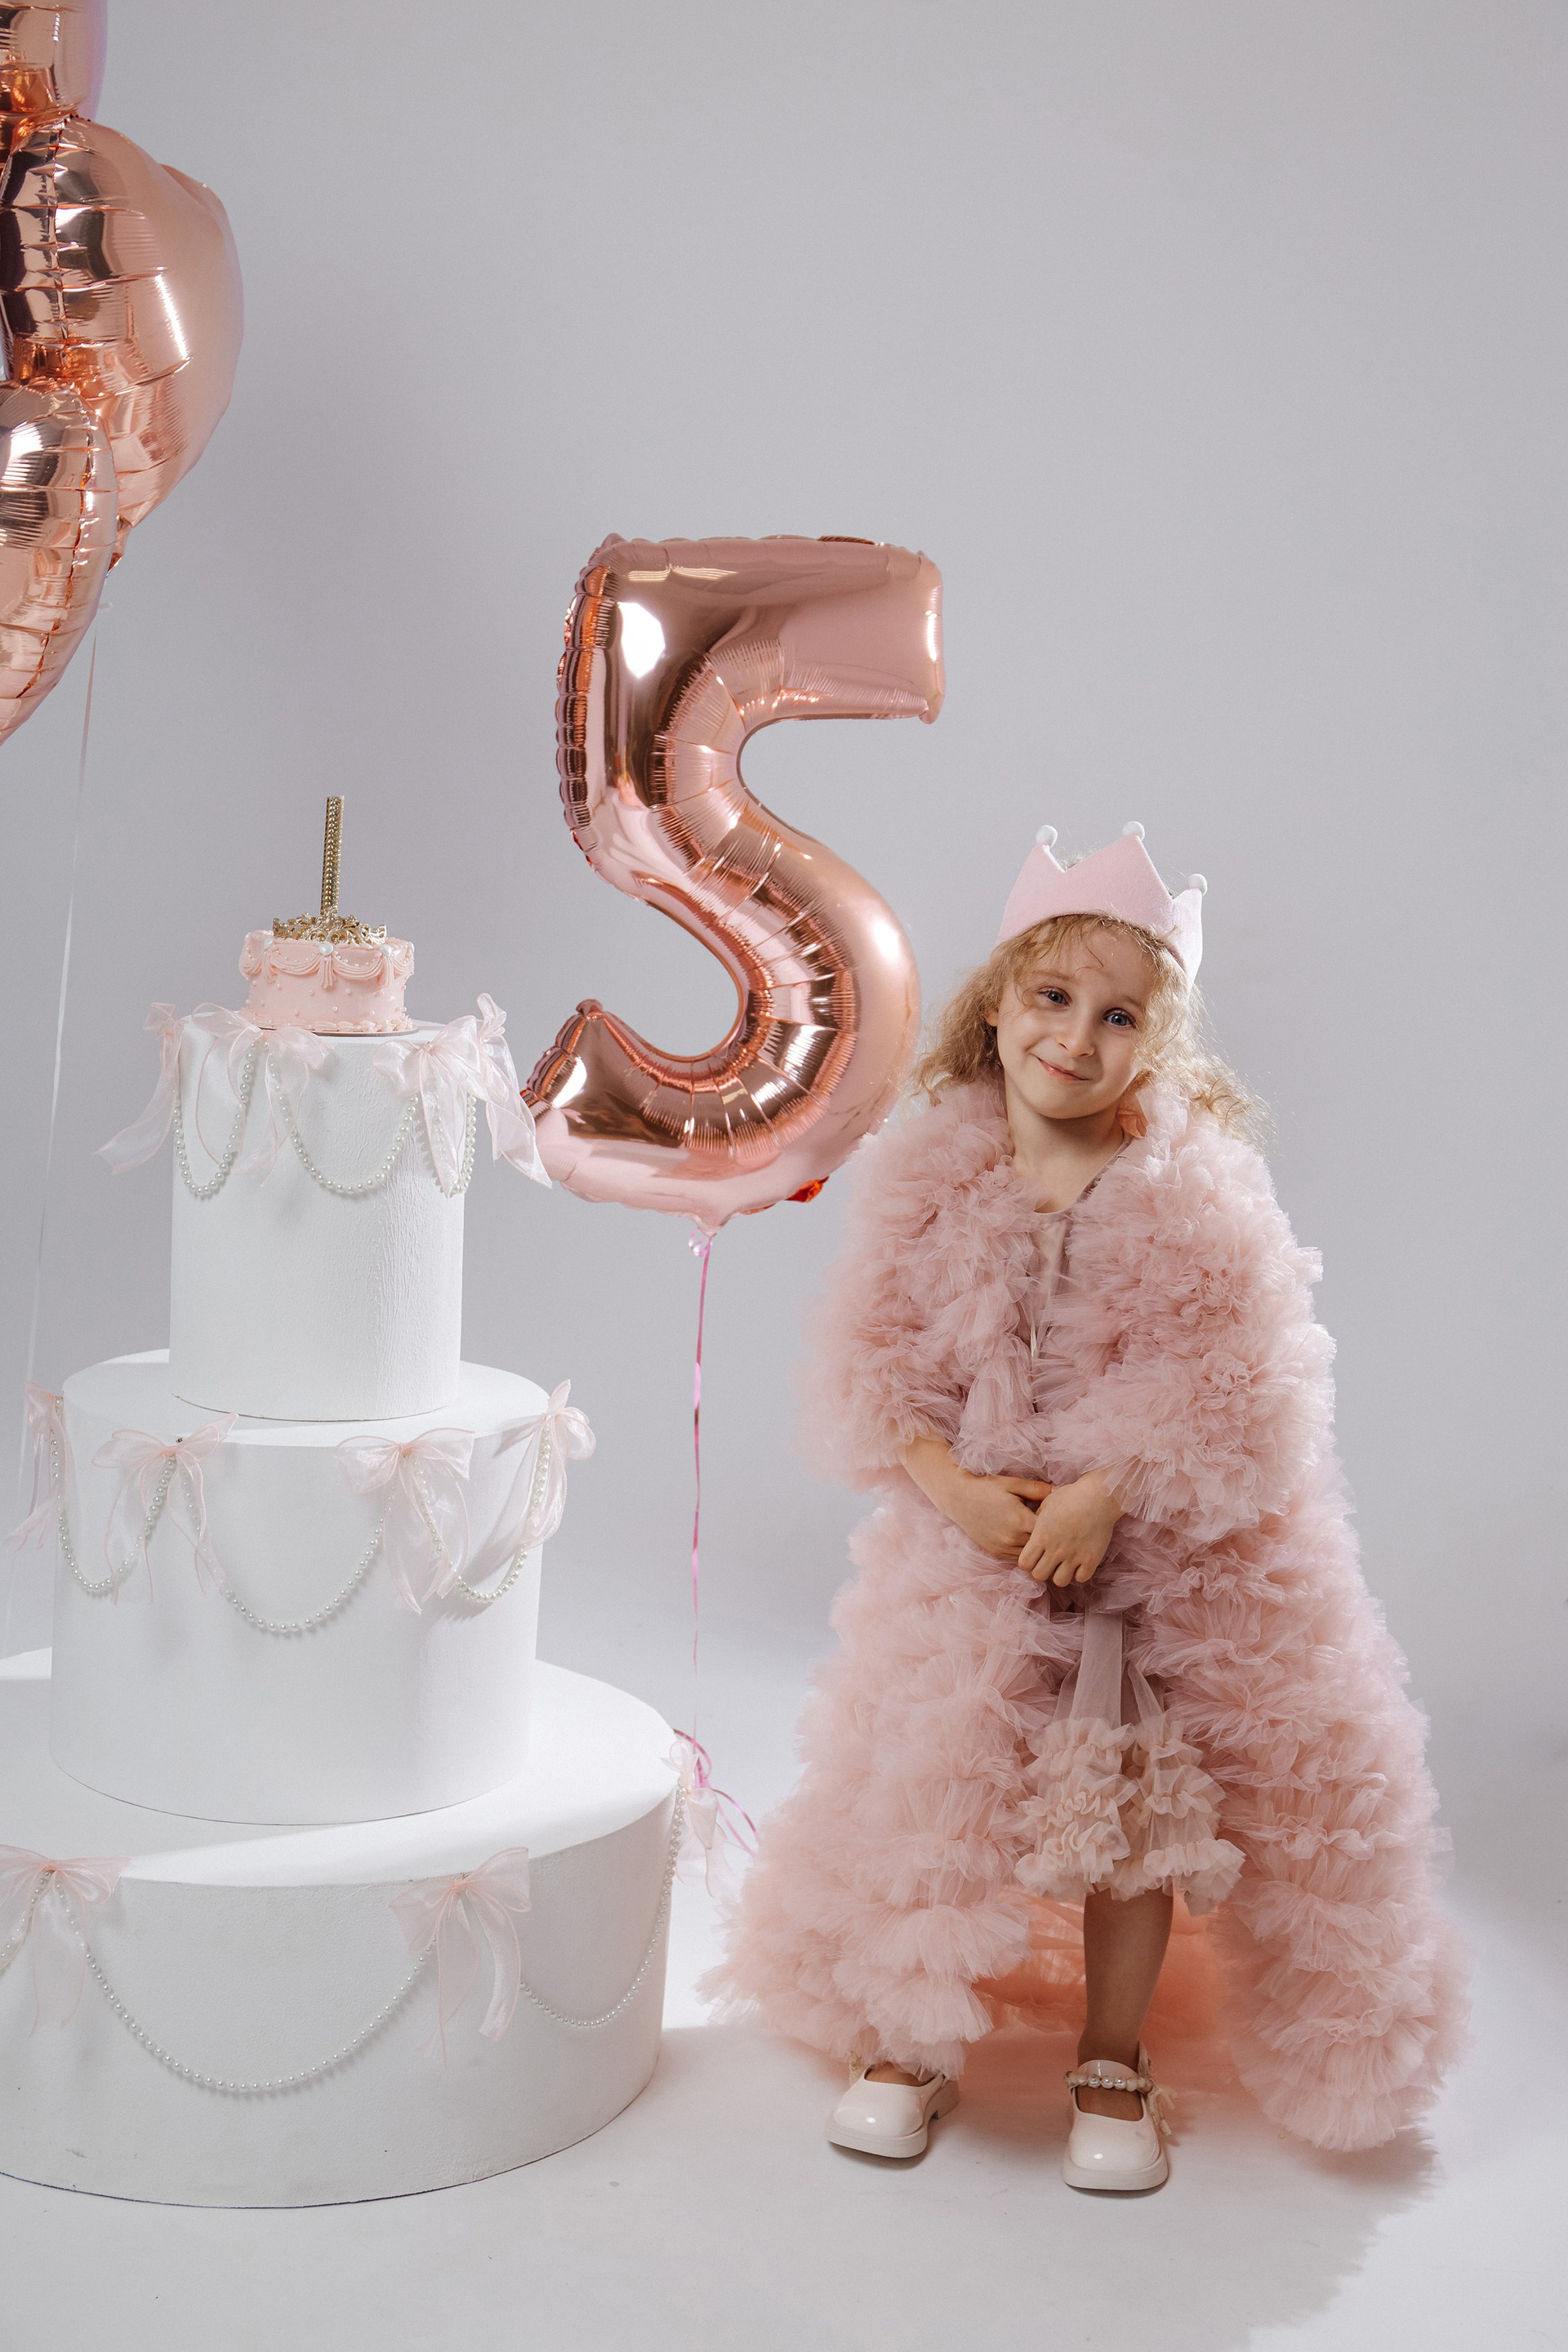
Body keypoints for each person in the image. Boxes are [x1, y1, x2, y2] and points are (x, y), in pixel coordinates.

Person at [708, 823, 1463, 2189]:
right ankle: (913, 2034)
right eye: (1052, 997)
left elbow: (1247, 1374)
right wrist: (949, 1484)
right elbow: (874, 1354)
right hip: (973, 1559)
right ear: (996, 1002)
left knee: (1132, 1821)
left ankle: (1113, 2057)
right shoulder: (932, 1170)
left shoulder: (1193, 1184)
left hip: (1146, 1568)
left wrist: (1112, 1489)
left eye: (1119, 1017)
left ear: (1157, 1044)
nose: (1075, 1037)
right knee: (940, 1778)